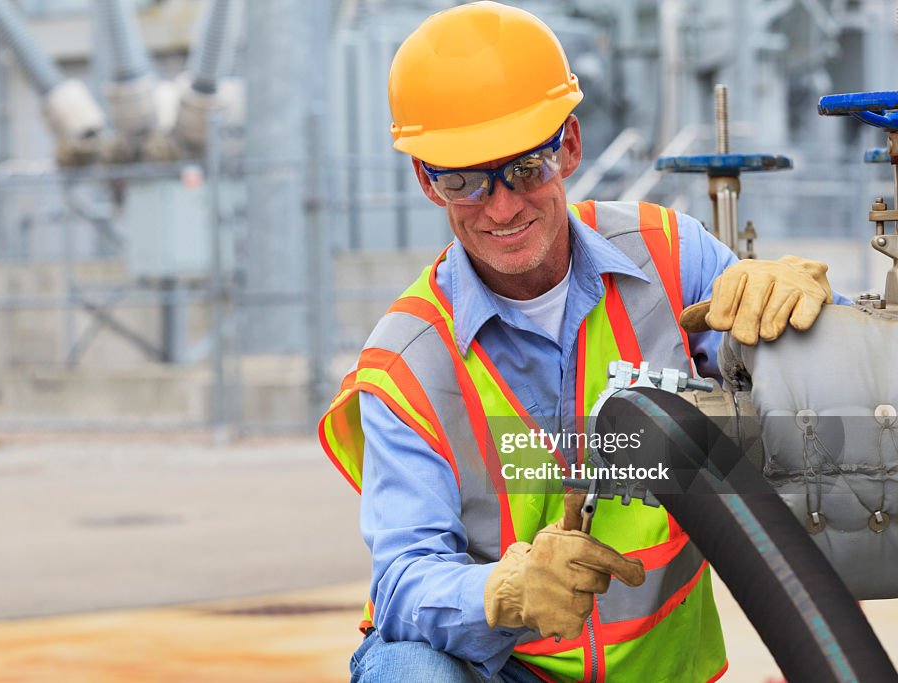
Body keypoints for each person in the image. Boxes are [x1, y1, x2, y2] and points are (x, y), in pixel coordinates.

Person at [318, 3, 836, 681]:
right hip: (505, 668)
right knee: (405, 669)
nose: (502, 207)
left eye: (526, 167)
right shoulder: (408, 358)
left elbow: (814, 378)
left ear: (568, 146)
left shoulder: (667, 257)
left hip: (656, 671)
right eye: (464, 181)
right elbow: (401, 580)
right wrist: (502, 592)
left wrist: (810, 309)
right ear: (425, 180)